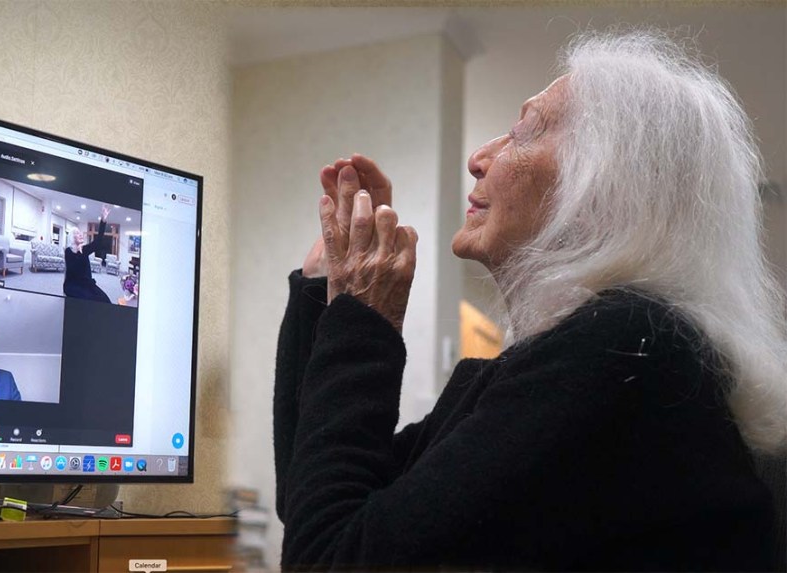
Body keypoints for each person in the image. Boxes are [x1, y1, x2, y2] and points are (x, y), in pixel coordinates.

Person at [275, 30, 786, 571]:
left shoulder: (626, 350)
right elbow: (314, 504)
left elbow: (326, 558)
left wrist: (363, 318)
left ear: (607, 186)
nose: (479, 158)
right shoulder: (599, 358)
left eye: (522, 132)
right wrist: (322, 289)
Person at [63, 204, 113, 303]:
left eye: (80, 233)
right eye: (77, 233)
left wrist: (103, 220)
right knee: (90, 300)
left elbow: (98, 241)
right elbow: (74, 269)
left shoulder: (84, 249)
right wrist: (80, 251)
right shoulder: (68, 251)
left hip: (87, 284)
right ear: (72, 238)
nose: (81, 234)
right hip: (73, 285)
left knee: (106, 300)